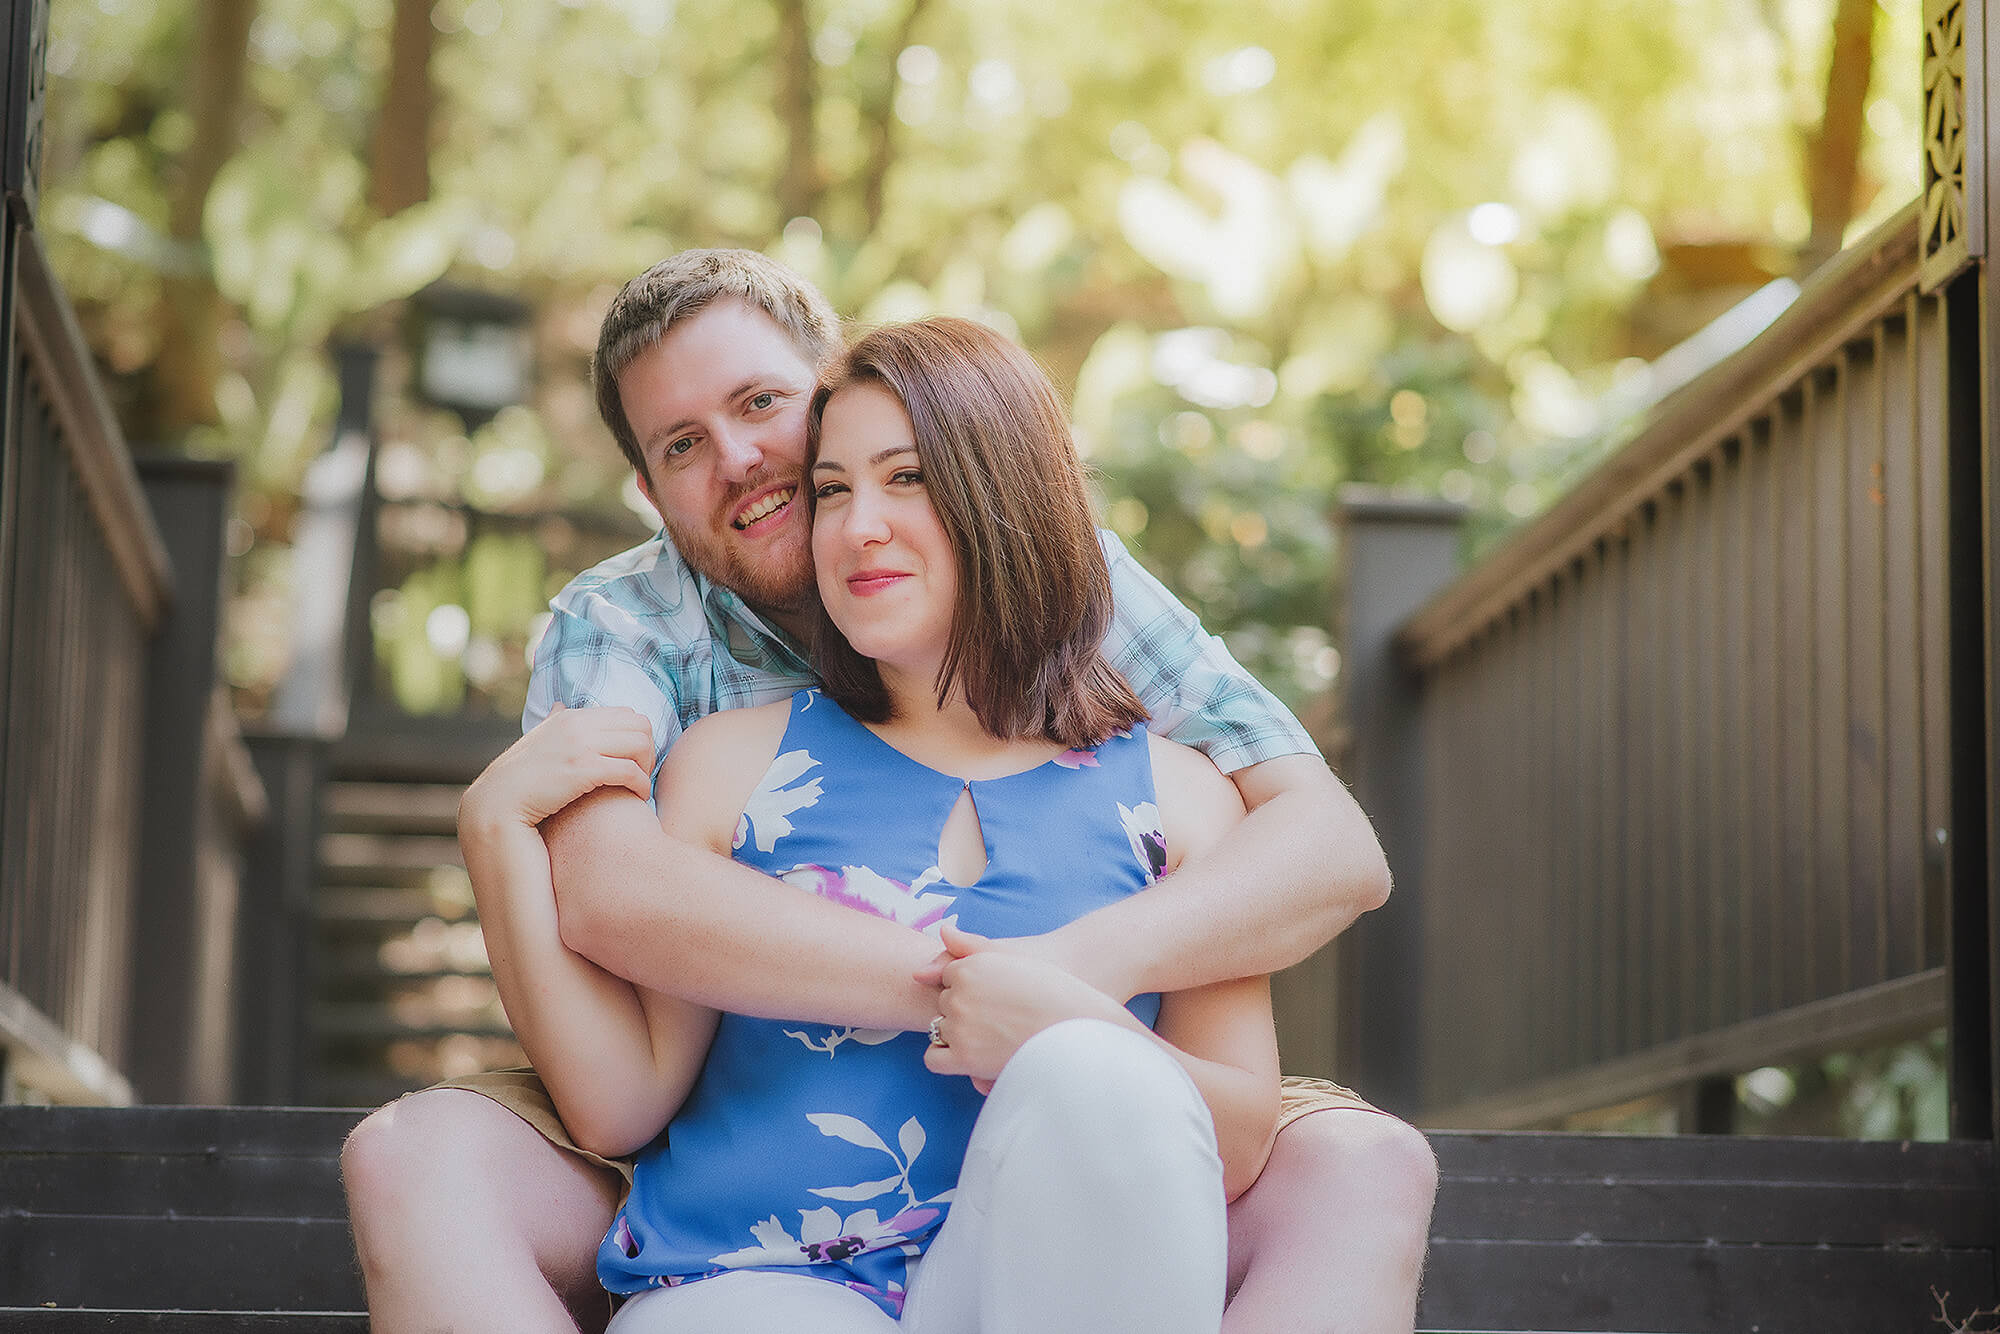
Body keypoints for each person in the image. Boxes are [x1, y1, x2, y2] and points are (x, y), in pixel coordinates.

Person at [341, 249, 1437, 1334]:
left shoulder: (1109, 657)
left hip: (1058, 1176)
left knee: (1323, 1153)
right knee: (421, 1159)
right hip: (754, 1215)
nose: (740, 458)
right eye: (682, 444)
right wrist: (968, 984)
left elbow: (1329, 850)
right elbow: (615, 903)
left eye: (763, 403)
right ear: (646, 486)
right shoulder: (645, 652)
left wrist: (1069, 989)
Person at [491, 317, 1280, 1331]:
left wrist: (1059, 1029)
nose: (857, 524)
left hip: (1034, 1284)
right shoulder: (728, 766)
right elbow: (619, 1096)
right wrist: (495, 834)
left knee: (1096, 1068)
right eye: (831, 489)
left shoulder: (1180, 801)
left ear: (1007, 497)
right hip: (757, 1286)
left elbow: (1241, 1132)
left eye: (905, 477)